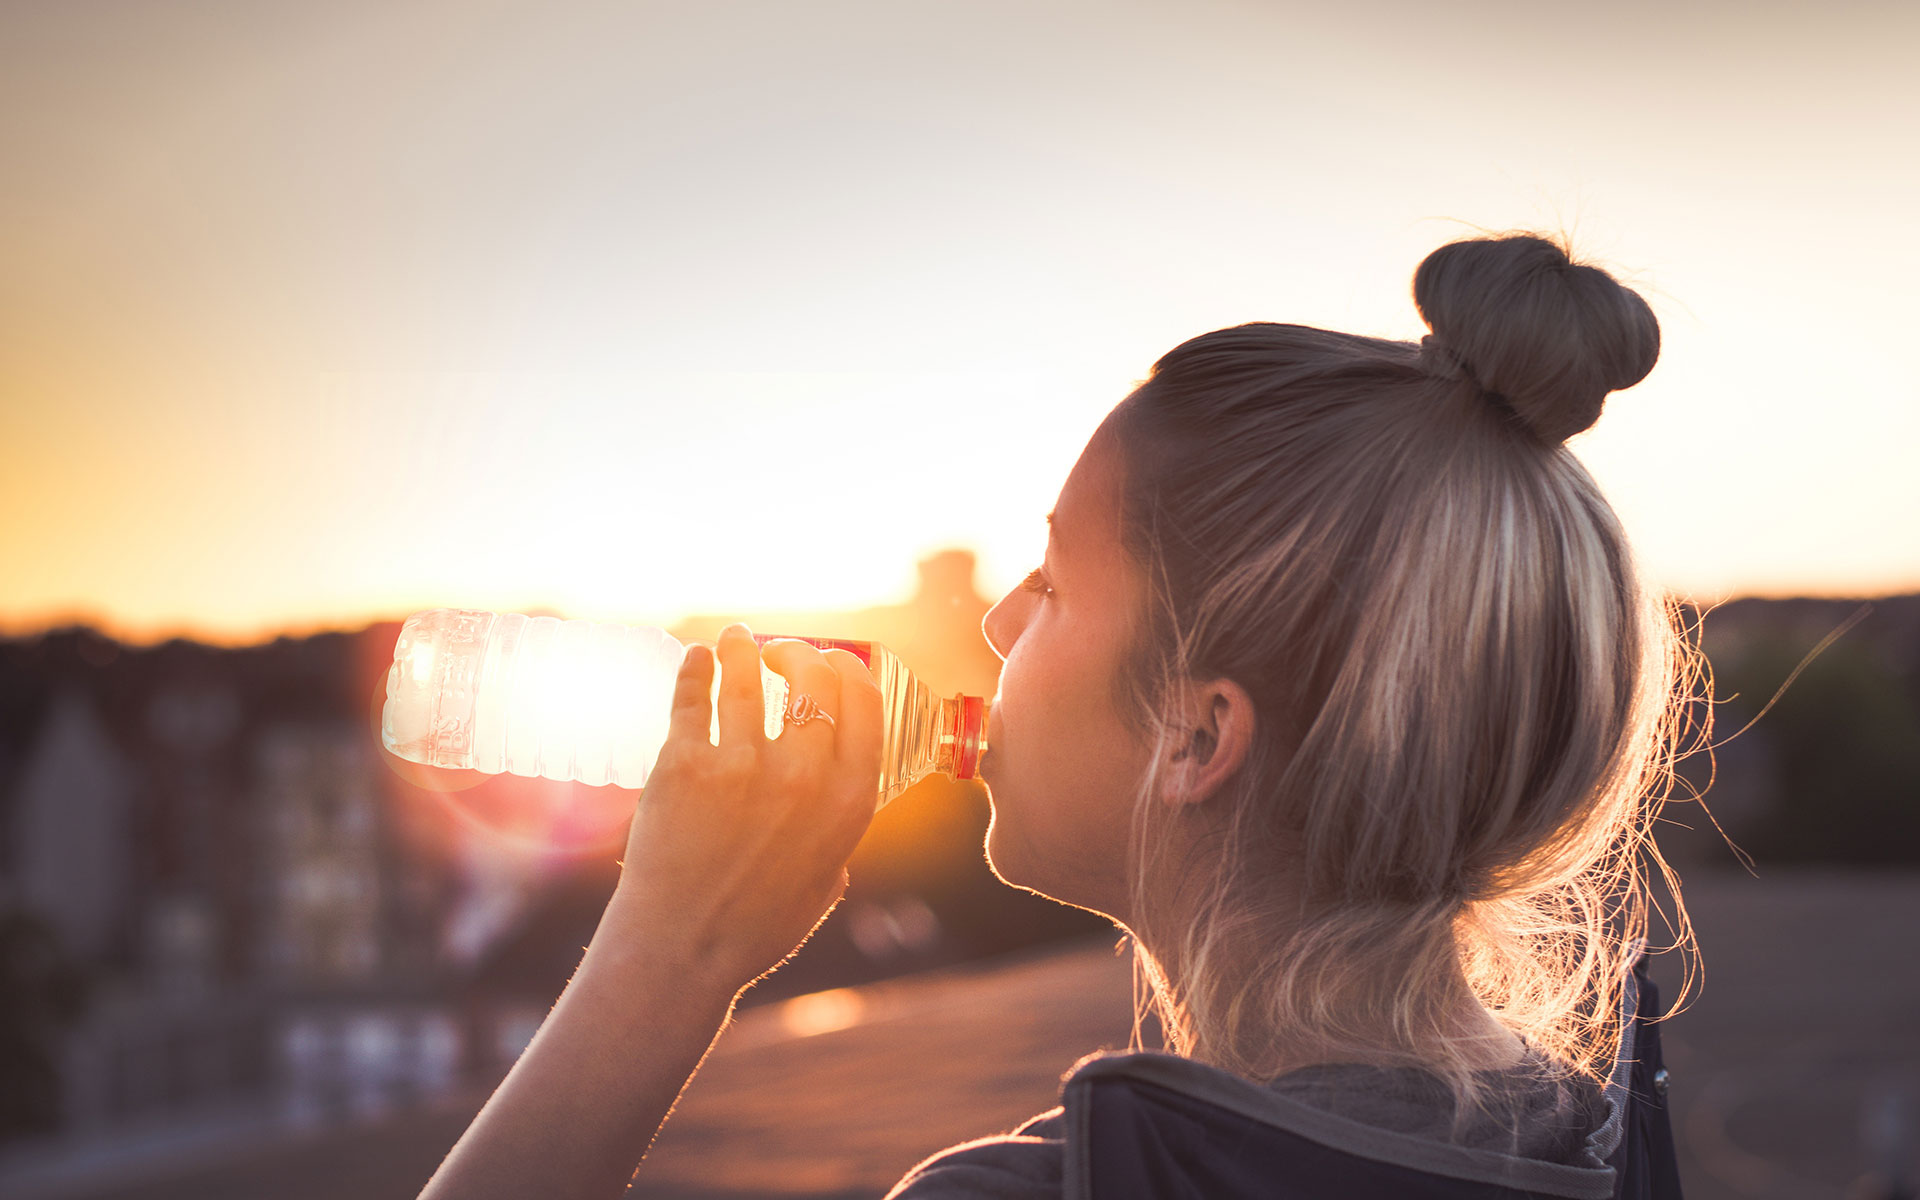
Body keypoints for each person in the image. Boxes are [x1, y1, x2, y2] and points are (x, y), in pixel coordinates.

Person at [416, 232, 1694, 1199]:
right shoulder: (1603, 1144)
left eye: (1057, 582)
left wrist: (670, 954)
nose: (995, 628)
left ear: (1197, 737)